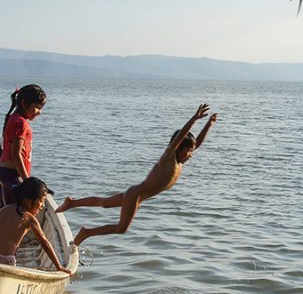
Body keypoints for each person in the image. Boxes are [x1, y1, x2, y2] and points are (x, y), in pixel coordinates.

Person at [57, 103, 217, 245]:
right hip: (134, 195)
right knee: (121, 228)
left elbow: (197, 143)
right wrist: (194, 119)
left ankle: (72, 203)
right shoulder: (168, 159)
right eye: (188, 150)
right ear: (178, 148)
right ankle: (86, 233)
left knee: (104, 203)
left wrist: (208, 124)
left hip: (137, 196)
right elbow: (180, 137)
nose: (191, 154)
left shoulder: (179, 163)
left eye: (191, 151)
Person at [0, 177, 71, 274]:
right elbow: (44, 243)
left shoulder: (3, 210)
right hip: (5, 260)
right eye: (41, 201)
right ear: (28, 200)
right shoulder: (29, 218)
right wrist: (59, 266)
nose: (42, 206)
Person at [0, 84, 46, 210]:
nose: (39, 112)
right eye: (37, 107)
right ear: (24, 103)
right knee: (16, 214)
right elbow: (15, 154)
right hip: (12, 175)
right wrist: (27, 181)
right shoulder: (21, 122)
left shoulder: (12, 118)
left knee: (3, 212)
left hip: (1, 172)